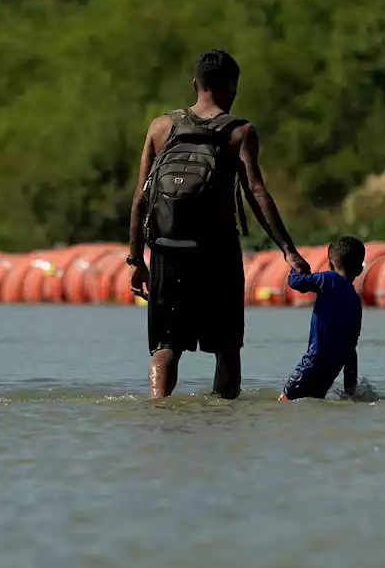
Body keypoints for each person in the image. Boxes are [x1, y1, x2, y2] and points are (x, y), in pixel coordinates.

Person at [128, 49, 311, 399]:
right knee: (226, 348)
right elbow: (256, 192)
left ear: (195, 83)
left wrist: (136, 261)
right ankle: (224, 419)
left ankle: (157, 408)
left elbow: (140, 198)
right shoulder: (239, 132)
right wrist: (288, 249)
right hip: (217, 254)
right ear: (233, 87)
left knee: (166, 346)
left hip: (166, 251)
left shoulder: (160, 127)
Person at [278, 236, 365, 401]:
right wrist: (350, 387)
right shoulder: (355, 300)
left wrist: (295, 267)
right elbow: (351, 346)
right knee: (314, 403)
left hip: (314, 361)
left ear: (330, 264)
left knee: (284, 403)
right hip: (334, 368)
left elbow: (297, 283)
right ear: (360, 270)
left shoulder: (328, 279)